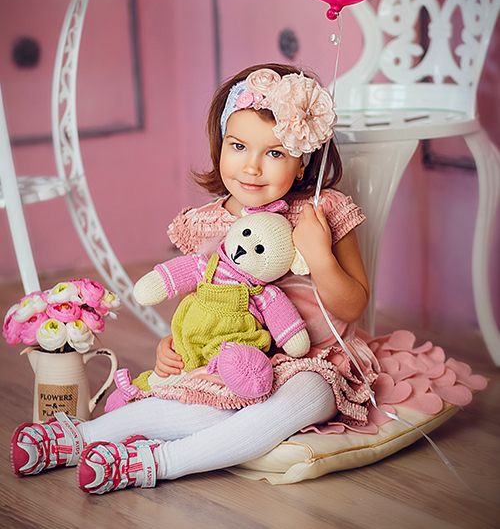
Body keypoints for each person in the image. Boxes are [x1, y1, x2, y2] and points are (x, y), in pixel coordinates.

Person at [10, 63, 485, 494]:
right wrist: (174, 345)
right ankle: (79, 437)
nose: (252, 166)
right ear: (221, 145)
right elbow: (204, 299)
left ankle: (158, 462)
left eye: (275, 152)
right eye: (238, 147)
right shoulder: (210, 222)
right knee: (203, 405)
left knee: (294, 403)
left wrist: (319, 255)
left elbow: (353, 304)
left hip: (315, 360)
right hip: (232, 361)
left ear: (304, 160)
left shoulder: (323, 211)